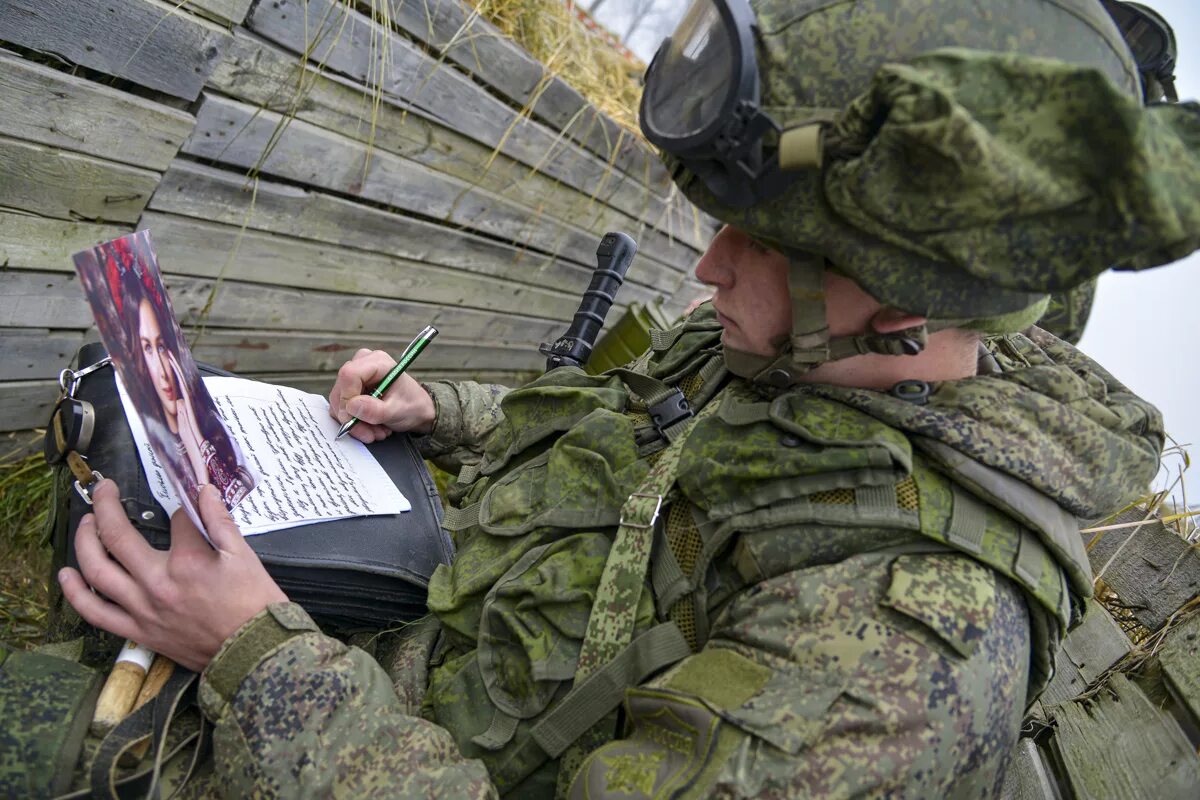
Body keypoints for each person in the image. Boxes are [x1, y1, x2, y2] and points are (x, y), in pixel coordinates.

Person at [57, 0, 1198, 796]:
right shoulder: (785, 346)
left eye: (758, 245)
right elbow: (619, 433)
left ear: (908, 312)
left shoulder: (897, 668)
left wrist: (258, 657)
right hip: (392, 670)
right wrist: (438, 409)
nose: (706, 272)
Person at [111, 239, 252, 509]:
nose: (164, 372)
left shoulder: (209, 429)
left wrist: (197, 439)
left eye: (161, 346)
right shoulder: (140, 442)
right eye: (147, 349)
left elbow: (238, 496)